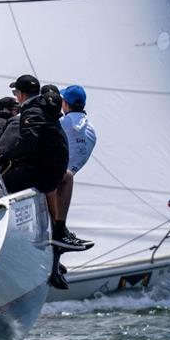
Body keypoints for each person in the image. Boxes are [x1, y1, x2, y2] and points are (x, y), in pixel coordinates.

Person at [48, 85, 97, 250]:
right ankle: (61, 231)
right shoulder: (91, 130)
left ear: (65, 103)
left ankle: (59, 231)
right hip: (66, 180)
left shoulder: (60, 123)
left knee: (56, 177)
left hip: (53, 181)